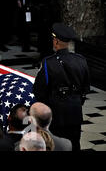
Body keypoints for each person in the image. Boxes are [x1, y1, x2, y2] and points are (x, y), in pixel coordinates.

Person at [33, 23, 90, 151]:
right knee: (75, 144)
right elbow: (86, 88)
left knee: (56, 145)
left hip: (56, 113)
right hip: (75, 111)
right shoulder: (81, 60)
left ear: (56, 41)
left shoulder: (48, 62)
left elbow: (39, 91)